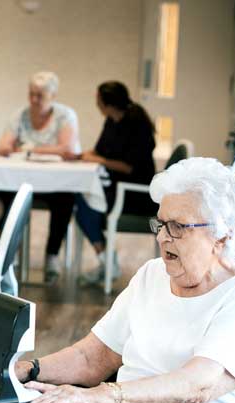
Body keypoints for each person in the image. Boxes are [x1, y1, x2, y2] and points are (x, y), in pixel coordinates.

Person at [0, 157, 235, 403]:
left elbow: (198, 385)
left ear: (221, 237)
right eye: (160, 224)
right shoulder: (151, 275)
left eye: (178, 227)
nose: (162, 237)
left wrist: (100, 396)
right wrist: (28, 369)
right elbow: (94, 357)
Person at [0, 71, 81, 282]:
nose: (34, 100)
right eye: (31, 94)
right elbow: (2, 146)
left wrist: (27, 148)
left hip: (55, 184)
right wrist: (44, 149)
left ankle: (51, 254)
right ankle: (10, 251)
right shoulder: (20, 115)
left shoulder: (65, 115)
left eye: (40, 96)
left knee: (65, 199)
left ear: (52, 96)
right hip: (22, 181)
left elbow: (67, 148)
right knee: (3, 194)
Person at [70, 81, 156, 284]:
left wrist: (98, 160)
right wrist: (78, 155)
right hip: (114, 186)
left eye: (98, 100)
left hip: (135, 193)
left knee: (84, 205)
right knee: (80, 199)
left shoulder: (138, 125)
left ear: (109, 104)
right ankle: (107, 261)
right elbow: (99, 152)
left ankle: (107, 262)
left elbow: (129, 168)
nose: (96, 104)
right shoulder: (111, 120)